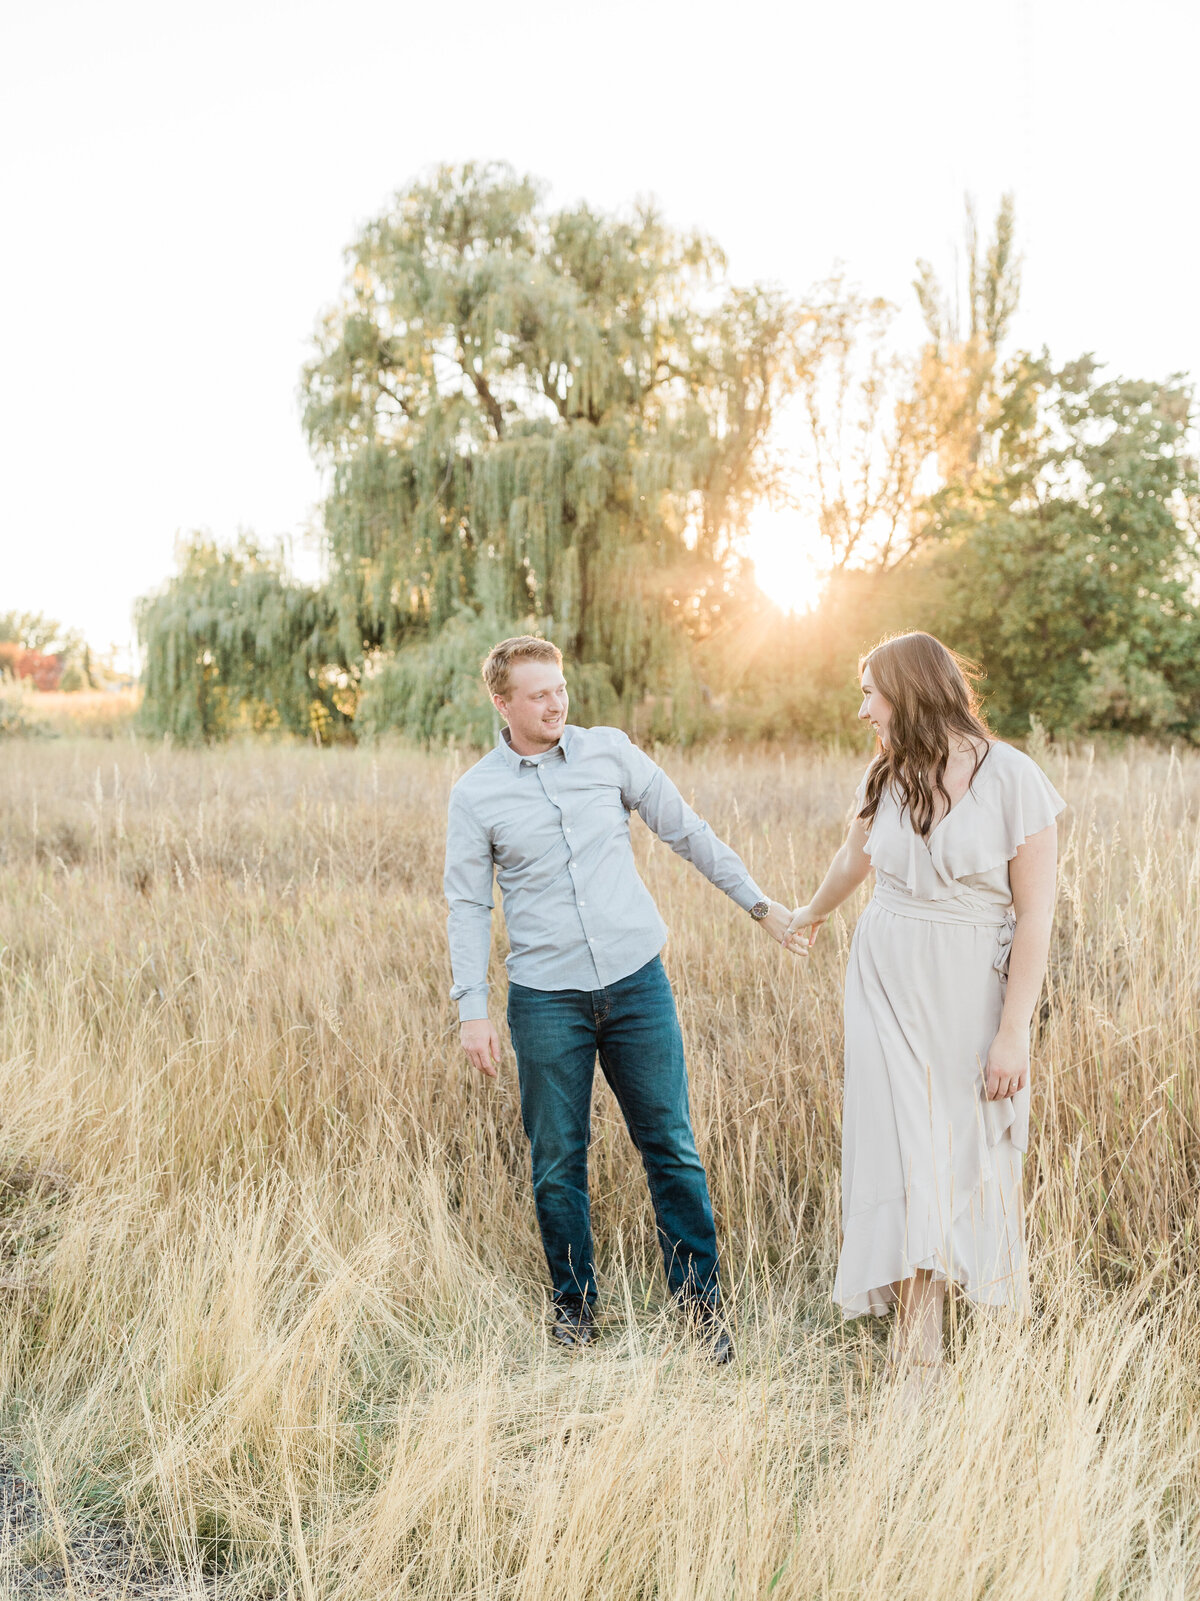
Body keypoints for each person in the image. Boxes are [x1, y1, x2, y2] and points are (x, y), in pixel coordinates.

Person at [444, 635, 794, 1362]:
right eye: (538, 693)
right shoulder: (476, 793)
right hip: (545, 1000)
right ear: (502, 703)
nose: (556, 701)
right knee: (557, 1160)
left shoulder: (608, 752)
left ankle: (703, 1314)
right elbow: (466, 904)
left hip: (637, 984)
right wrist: (470, 1008)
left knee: (670, 1147)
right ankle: (574, 1313)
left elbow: (687, 832)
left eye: (560, 686)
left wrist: (762, 907)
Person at [784, 632, 1063, 1386]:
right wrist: (808, 913)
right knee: (902, 1155)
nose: (863, 707)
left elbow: (1036, 914)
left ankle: (945, 1344)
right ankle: (919, 1355)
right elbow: (856, 858)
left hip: (968, 989)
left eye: (871, 690)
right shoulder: (887, 774)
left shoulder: (1014, 777)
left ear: (910, 691)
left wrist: (1013, 1032)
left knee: (955, 1155)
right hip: (882, 978)